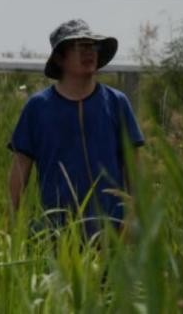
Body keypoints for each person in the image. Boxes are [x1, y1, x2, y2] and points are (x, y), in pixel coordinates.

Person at [8, 20, 143, 238]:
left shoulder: (116, 103)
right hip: (55, 231)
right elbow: (20, 169)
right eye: (80, 46)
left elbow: (134, 168)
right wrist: (12, 224)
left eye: (92, 46)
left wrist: (134, 216)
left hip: (112, 231)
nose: (89, 52)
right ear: (59, 58)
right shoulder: (38, 107)